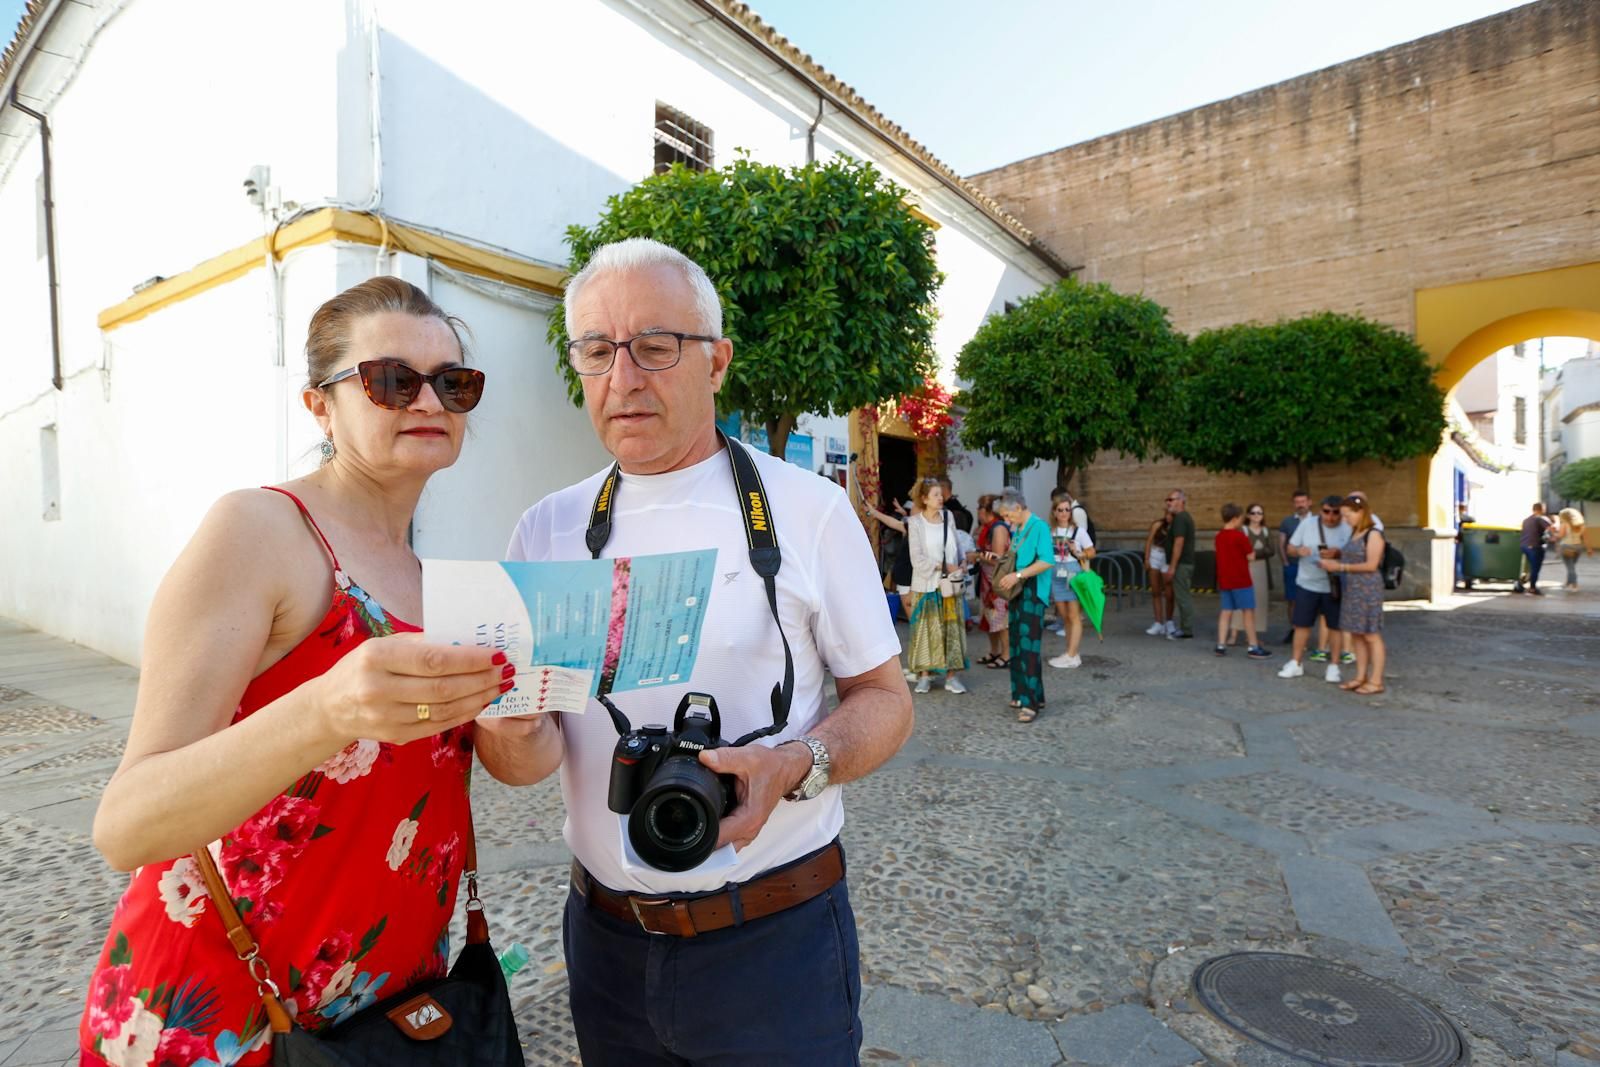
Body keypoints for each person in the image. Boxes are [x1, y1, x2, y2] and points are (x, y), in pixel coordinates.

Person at [78, 279, 554, 1067]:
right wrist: (329, 708)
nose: (428, 398)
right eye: (392, 379)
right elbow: (125, 823)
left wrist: (519, 722)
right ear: (320, 405)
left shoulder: (440, 583)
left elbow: (516, 764)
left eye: (453, 382)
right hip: (227, 1015)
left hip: (391, 1016)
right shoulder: (260, 530)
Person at [505, 238, 912, 1066]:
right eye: (597, 349)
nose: (624, 377)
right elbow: (523, 760)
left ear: (718, 361)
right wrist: (501, 720)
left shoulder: (810, 511)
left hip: (776, 941)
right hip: (605, 940)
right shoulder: (545, 529)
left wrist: (796, 761)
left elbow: (885, 698)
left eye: (657, 346)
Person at [905, 477, 971, 694]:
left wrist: (961, 563)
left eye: (941, 494)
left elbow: (957, 545)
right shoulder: (915, 523)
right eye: (935, 495)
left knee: (952, 630)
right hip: (926, 585)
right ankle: (925, 675)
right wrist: (944, 566)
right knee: (925, 631)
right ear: (924, 499)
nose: (940, 498)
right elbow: (917, 559)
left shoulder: (948, 517)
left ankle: (952, 676)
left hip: (950, 585)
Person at [994, 488, 1054, 723]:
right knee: (1018, 645)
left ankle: (1030, 704)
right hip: (1019, 593)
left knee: (1029, 649)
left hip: (1032, 592)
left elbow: (1047, 560)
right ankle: (1026, 694)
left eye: (1008, 516)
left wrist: (1018, 575)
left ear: (1018, 508)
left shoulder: (1038, 527)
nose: (1006, 521)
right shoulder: (1019, 528)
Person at [1277, 495, 1351, 683]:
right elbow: (1290, 548)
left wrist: (1338, 553)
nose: (1331, 516)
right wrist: (1298, 551)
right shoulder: (1308, 524)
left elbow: (1356, 553)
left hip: (1333, 584)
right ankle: (1295, 662)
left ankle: (1333, 666)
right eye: (1327, 511)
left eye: (1335, 513)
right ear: (1320, 510)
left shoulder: (1347, 526)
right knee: (1301, 624)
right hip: (1307, 582)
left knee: (1335, 626)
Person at [1329, 493, 1387, 694]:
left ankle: (1376, 680)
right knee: (1357, 634)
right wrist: (1336, 554)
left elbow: (1371, 564)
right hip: (1353, 588)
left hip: (1368, 588)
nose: (1345, 520)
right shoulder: (1356, 532)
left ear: (1360, 512)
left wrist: (1340, 566)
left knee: (1371, 635)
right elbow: (1354, 556)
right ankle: (1360, 676)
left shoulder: (1374, 534)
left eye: (1348, 515)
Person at [1214, 503, 1271, 659]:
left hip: (1225, 580)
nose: (1241, 521)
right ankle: (1253, 646)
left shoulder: (1219, 536)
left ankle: (1221, 645)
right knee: (1248, 612)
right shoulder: (1240, 536)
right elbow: (1251, 556)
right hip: (1241, 580)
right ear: (1235, 518)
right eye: (1240, 518)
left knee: (1226, 612)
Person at [1048, 497, 1096, 670]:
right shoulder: (1050, 531)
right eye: (1060, 510)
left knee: (1074, 615)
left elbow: (1091, 551)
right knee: (1064, 615)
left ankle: (1071, 654)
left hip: (1073, 573)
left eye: (1067, 510)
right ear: (1054, 512)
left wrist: (1079, 553)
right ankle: (1070, 652)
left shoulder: (1079, 531)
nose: (1063, 513)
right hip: (1056, 574)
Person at [1227, 503, 1275, 646]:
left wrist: (1255, 554)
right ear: (1248, 515)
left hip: (1261, 570)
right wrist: (1248, 555)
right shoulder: (1242, 530)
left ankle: (1252, 636)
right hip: (1244, 569)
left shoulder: (1266, 531)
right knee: (1240, 600)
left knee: (1259, 602)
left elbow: (1271, 550)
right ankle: (1233, 634)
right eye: (1253, 513)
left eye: (1259, 513)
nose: (1256, 516)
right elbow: (1235, 548)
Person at [973, 494, 1012, 668]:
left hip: (998, 580)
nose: (977, 512)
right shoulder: (987, 527)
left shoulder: (998, 528)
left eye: (979, 508)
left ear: (985, 510)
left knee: (1000, 619)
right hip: (987, 580)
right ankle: (995, 651)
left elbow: (998, 558)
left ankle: (1007, 654)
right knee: (989, 618)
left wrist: (977, 556)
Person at [1276, 490, 1311, 643]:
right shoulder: (1287, 522)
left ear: (1309, 502)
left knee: (1311, 600)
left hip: (1312, 567)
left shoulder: (1317, 520)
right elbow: (1281, 543)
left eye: (1303, 502)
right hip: (1293, 566)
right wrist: (1285, 563)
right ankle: (1294, 629)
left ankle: (1307, 630)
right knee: (1292, 600)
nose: (1300, 505)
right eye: (1297, 502)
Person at [1162, 489, 1196, 639]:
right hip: (1183, 563)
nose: (1168, 502)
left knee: (1183, 597)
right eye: (1167, 500)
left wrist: (1172, 567)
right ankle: (1185, 628)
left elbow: (1179, 543)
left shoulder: (1181, 518)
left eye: (1171, 499)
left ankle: (1186, 630)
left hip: (1182, 564)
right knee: (1182, 596)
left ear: (1181, 501)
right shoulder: (1180, 518)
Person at [1513, 502, 1553, 596]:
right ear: (1542, 509)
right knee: (1535, 568)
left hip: (1524, 546)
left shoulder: (1526, 520)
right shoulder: (1540, 518)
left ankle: (1521, 583)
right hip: (1535, 546)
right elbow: (1551, 528)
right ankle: (1532, 588)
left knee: (1527, 567)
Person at [1144, 512, 1173, 636]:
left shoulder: (1177, 527)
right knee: (1155, 590)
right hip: (1155, 555)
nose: (1168, 516)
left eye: (1171, 514)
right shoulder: (1158, 524)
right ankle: (1158, 622)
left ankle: (1169, 622)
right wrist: (1146, 559)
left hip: (1168, 558)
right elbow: (1149, 541)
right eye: (1167, 513)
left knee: (1169, 592)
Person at [1556, 507, 1590, 590]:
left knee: (1570, 567)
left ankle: (1575, 585)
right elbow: (1586, 539)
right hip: (1578, 547)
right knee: (1571, 566)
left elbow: (1560, 535)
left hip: (1566, 547)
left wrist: (1554, 533)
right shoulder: (1581, 525)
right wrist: (1589, 549)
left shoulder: (1565, 524)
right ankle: (1567, 583)